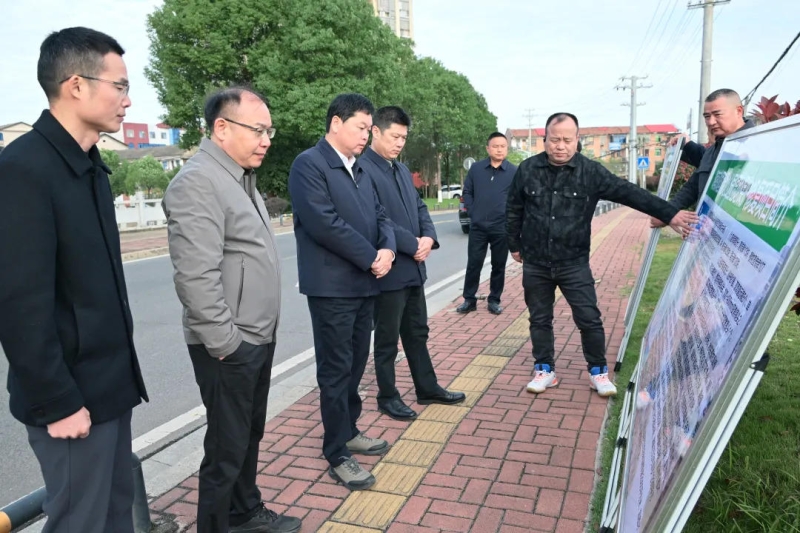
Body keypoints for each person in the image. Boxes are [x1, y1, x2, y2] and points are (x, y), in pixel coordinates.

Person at [0, 27, 148, 533]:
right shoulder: (22, 169)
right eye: (120, 86)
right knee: (80, 522)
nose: (128, 100)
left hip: (110, 387)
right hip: (70, 399)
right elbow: (18, 304)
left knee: (115, 513)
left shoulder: (89, 167)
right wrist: (57, 403)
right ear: (76, 85)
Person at [162, 87, 300, 533]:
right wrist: (227, 343)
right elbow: (195, 277)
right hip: (229, 344)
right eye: (258, 130)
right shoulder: (198, 181)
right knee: (226, 447)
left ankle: (244, 511)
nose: (266, 140)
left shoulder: (240, 178)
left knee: (247, 435)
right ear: (221, 128)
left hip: (255, 335)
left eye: (269, 131)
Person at [506, 112, 699, 398]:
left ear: (577, 140)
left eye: (567, 140)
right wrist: (514, 245)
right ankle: (544, 369)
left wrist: (669, 214)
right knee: (539, 318)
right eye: (555, 139)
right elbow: (513, 209)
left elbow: (630, 193)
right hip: (535, 262)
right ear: (545, 139)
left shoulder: (591, 172)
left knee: (589, 319)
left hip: (573, 263)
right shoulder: (527, 169)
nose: (560, 146)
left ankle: (598, 372)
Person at [288, 93, 396, 491]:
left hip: (364, 284)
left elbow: (381, 216)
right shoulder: (309, 164)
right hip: (332, 288)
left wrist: (387, 250)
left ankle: (349, 430)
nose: (366, 135)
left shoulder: (359, 168)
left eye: (369, 129)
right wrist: (371, 257)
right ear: (336, 123)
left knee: (355, 364)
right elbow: (324, 223)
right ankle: (336, 451)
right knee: (335, 370)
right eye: (360, 127)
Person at [359, 106, 466, 421]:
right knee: (387, 339)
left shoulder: (401, 170)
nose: (399, 143)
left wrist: (429, 237)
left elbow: (420, 208)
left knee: (418, 332)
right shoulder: (362, 170)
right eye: (394, 136)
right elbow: (375, 219)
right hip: (389, 270)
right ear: (375, 131)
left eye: (404, 138)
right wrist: (412, 244)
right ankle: (387, 396)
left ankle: (427, 387)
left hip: (414, 269)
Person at [652, 88, 755, 228]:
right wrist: (667, 213)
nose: (711, 122)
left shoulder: (758, 146)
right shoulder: (714, 149)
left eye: (717, 114)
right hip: (709, 234)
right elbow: (693, 187)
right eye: (707, 116)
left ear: (739, 111)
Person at [457, 132, 517, 315]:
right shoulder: (476, 169)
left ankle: (494, 300)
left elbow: (518, 199)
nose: (499, 150)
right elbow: (467, 192)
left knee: (498, 265)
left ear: (507, 149)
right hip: (478, 227)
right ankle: (469, 300)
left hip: (501, 227)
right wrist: (473, 212)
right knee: (474, 263)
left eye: (503, 146)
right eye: (495, 146)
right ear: (488, 148)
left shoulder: (514, 172)